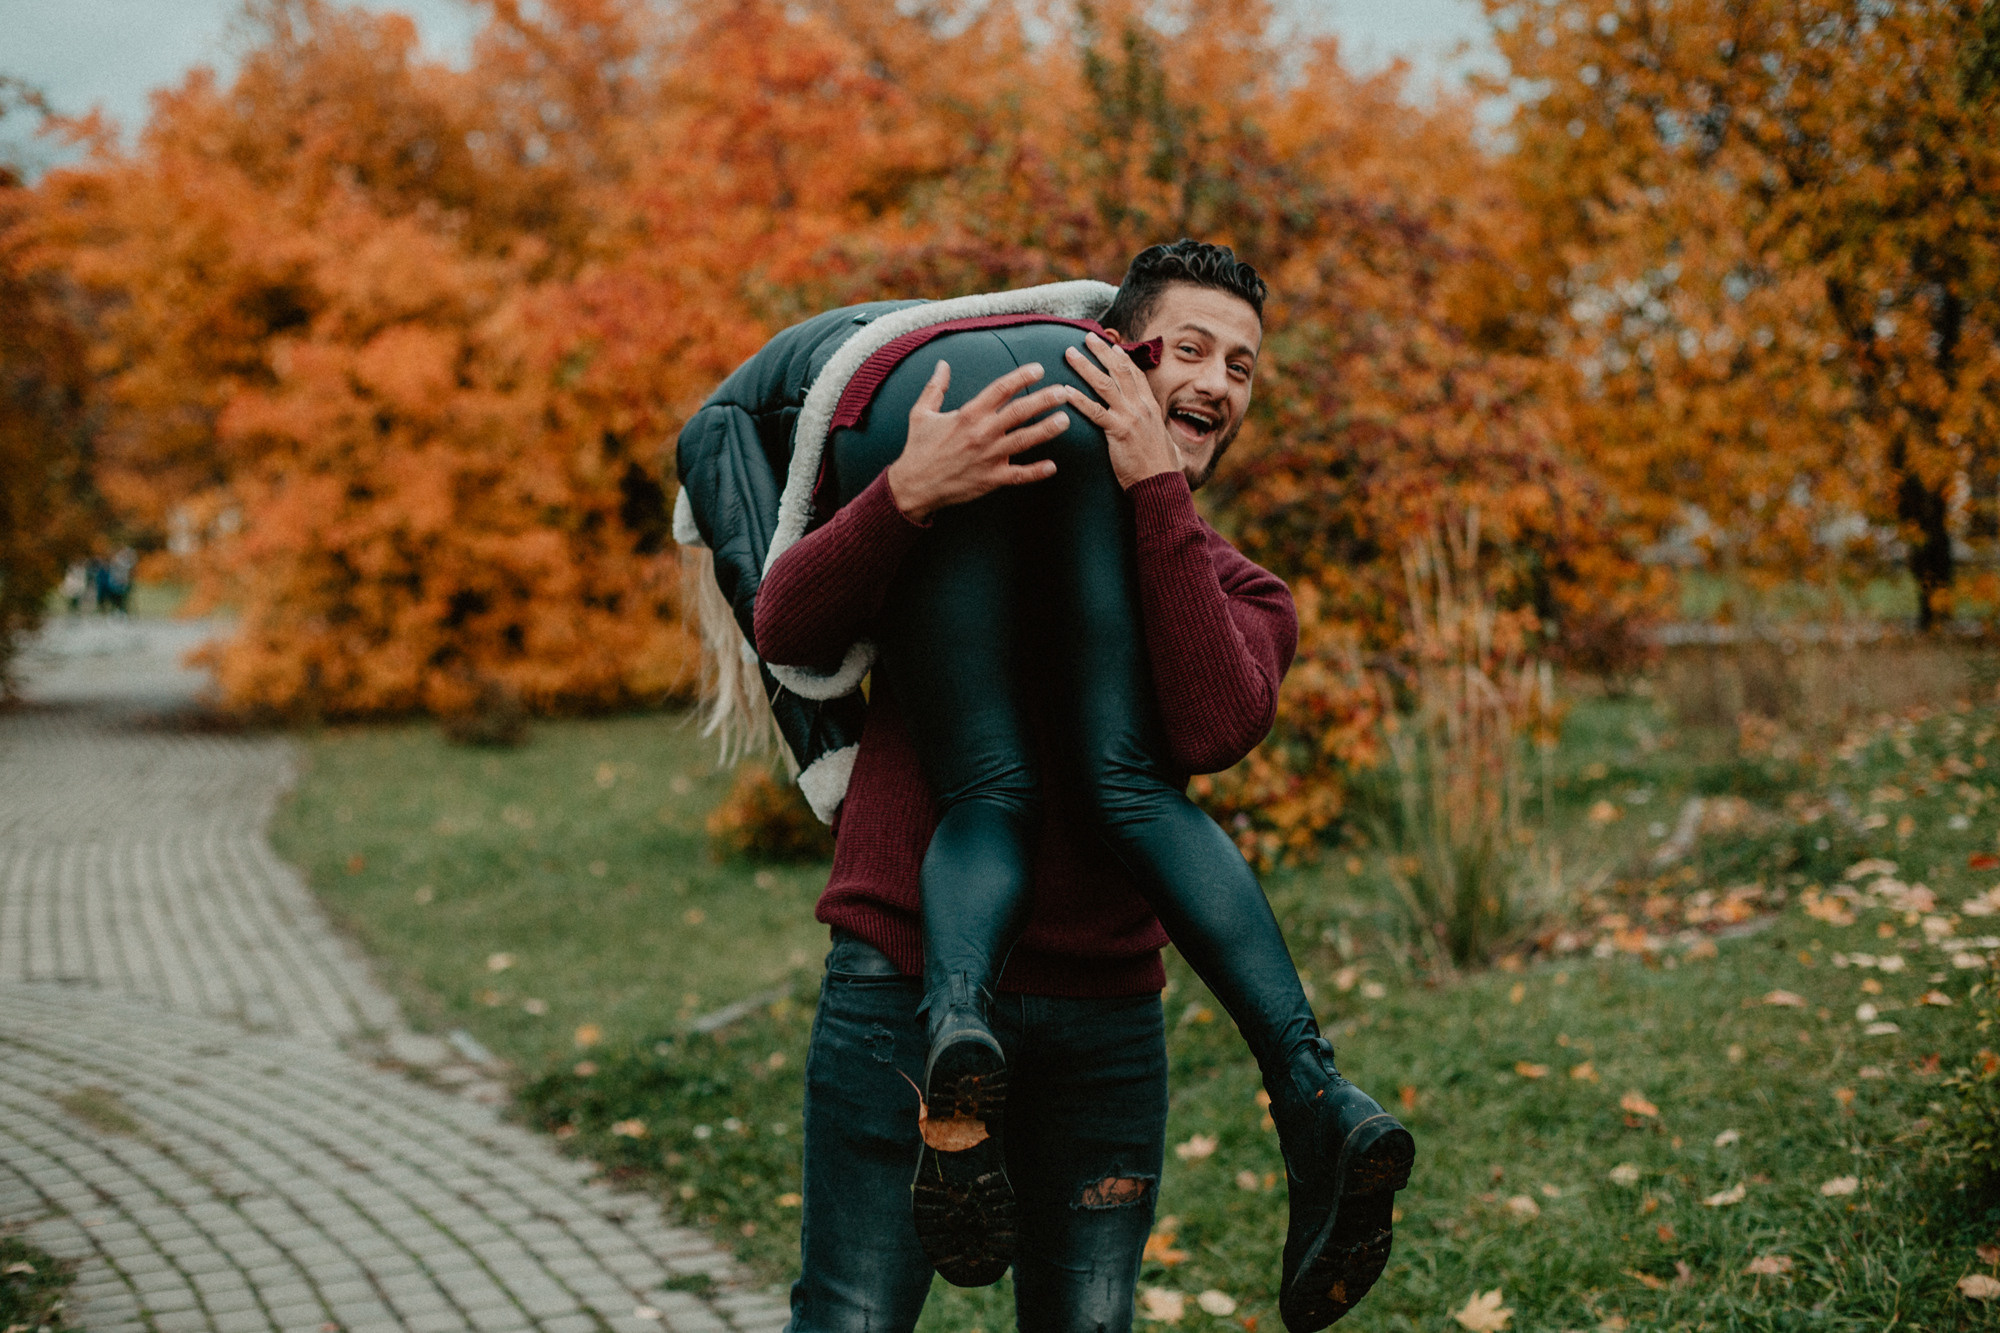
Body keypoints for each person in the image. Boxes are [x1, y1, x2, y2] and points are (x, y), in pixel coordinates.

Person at [676, 242, 1410, 1333]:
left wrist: (1156, 493)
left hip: (1105, 1019)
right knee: (850, 1316)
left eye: (1242, 368)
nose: (1214, 381)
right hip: (901, 988)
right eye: (1191, 349)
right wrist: (904, 496)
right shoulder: (971, 490)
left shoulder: (1241, 587)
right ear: (1113, 353)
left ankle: (1308, 1100)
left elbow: (1211, 726)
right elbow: (786, 628)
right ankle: (1298, 1082)